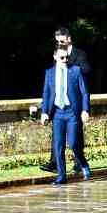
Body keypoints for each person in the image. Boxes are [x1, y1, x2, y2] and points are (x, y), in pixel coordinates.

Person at [40, 26, 93, 173]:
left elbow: (87, 70)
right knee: (57, 138)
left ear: (69, 39)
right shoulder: (58, 55)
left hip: (75, 100)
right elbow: (50, 86)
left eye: (62, 41)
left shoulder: (79, 54)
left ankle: (79, 162)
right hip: (59, 106)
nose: (59, 44)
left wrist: (71, 69)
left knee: (75, 138)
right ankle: (55, 163)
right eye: (57, 41)